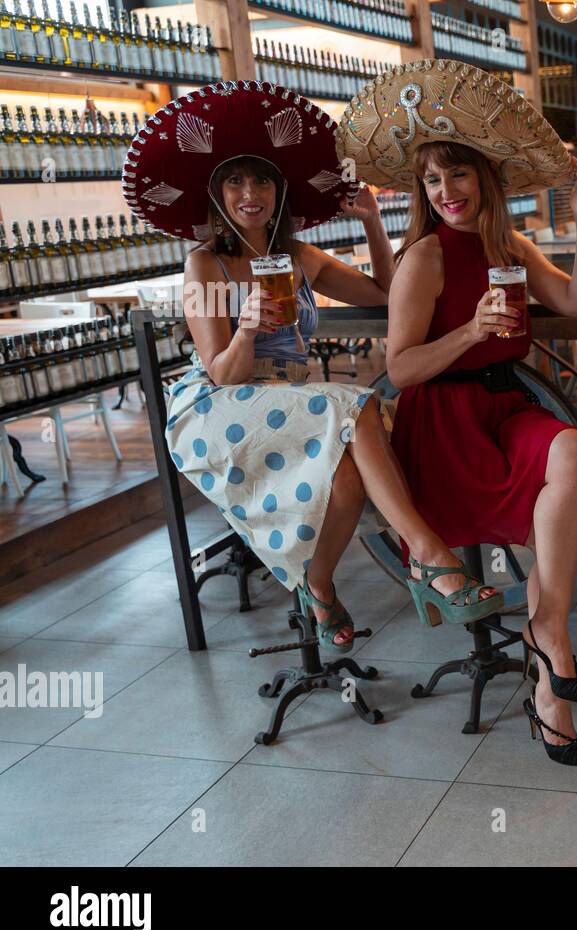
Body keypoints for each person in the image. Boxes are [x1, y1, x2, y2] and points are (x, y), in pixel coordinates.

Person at [123, 80, 502, 653]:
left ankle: (318, 588)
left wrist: (374, 221)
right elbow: (223, 373)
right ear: (218, 193)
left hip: (293, 401)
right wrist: (247, 326)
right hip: (221, 404)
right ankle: (428, 556)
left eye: (262, 181)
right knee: (358, 402)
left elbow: (382, 291)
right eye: (235, 181)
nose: (250, 193)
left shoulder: (298, 256)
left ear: (279, 191)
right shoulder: (203, 265)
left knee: (346, 475)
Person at [337, 59, 577, 766]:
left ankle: (548, 636)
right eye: (431, 179)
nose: (446, 191)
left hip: (506, 408)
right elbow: (400, 370)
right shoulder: (425, 257)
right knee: (560, 475)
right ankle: (552, 683)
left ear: (485, 179)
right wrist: (472, 333)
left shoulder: (508, 246)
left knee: (573, 452)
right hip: (444, 426)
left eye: (457, 174)